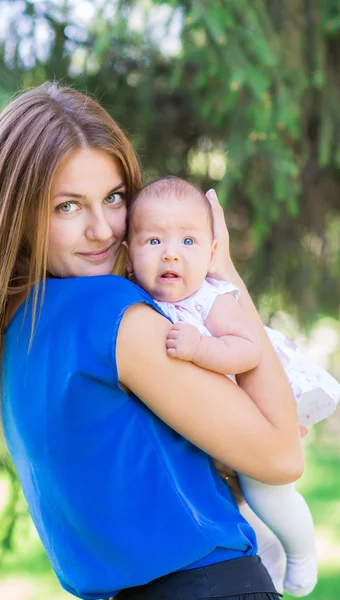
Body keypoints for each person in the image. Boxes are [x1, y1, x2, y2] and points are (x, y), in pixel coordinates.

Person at [0, 83, 305, 600]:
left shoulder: (14, 330)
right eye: (68, 207)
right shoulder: (109, 313)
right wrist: (221, 272)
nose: (103, 230)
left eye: (114, 198)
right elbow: (282, 456)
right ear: (16, 213)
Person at [122, 175, 338, 597]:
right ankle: (269, 561)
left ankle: (302, 550)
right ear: (128, 255)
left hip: (254, 410)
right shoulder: (137, 302)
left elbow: (248, 351)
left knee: (265, 489)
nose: (171, 253)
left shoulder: (211, 298)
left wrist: (200, 347)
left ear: (211, 252)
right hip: (213, 424)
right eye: (153, 242)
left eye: (188, 241)